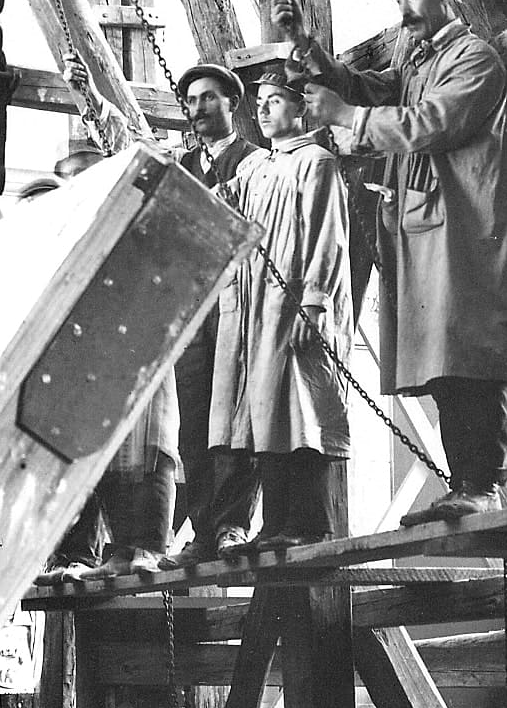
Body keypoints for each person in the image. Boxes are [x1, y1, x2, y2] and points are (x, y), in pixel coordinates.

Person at [271, 0, 507, 514]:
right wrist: (303, 47)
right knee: (444, 365)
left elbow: (427, 123)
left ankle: (481, 487)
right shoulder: (417, 61)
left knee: (470, 360)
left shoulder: (473, 60)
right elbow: (369, 88)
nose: (405, 9)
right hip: (431, 233)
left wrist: (344, 117)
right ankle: (470, 485)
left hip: (470, 233)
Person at [207, 64, 353, 544]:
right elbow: (221, 207)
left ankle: (309, 523)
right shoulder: (256, 167)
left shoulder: (316, 162)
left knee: (301, 408)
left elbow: (328, 237)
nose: (264, 109)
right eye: (261, 101)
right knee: (265, 411)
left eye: (275, 100)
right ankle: (276, 523)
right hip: (258, 310)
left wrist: (315, 303)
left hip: (298, 304)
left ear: (300, 106)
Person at [45, 92, 181, 574]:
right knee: (99, 454)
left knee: (147, 446)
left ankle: (144, 543)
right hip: (95, 365)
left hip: (140, 352)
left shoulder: (137, 223)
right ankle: (100, 548)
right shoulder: (70, 239)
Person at [174, 61, 263, 553]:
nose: (199, 108)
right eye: (191, 101)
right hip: (193, 312)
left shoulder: (255, 161)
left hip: (239, 304)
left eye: (209, 98)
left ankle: (233, 524)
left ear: (233, 104)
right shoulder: (183, 167)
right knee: (194, 422)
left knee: (235, 418)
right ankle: (204, 530)